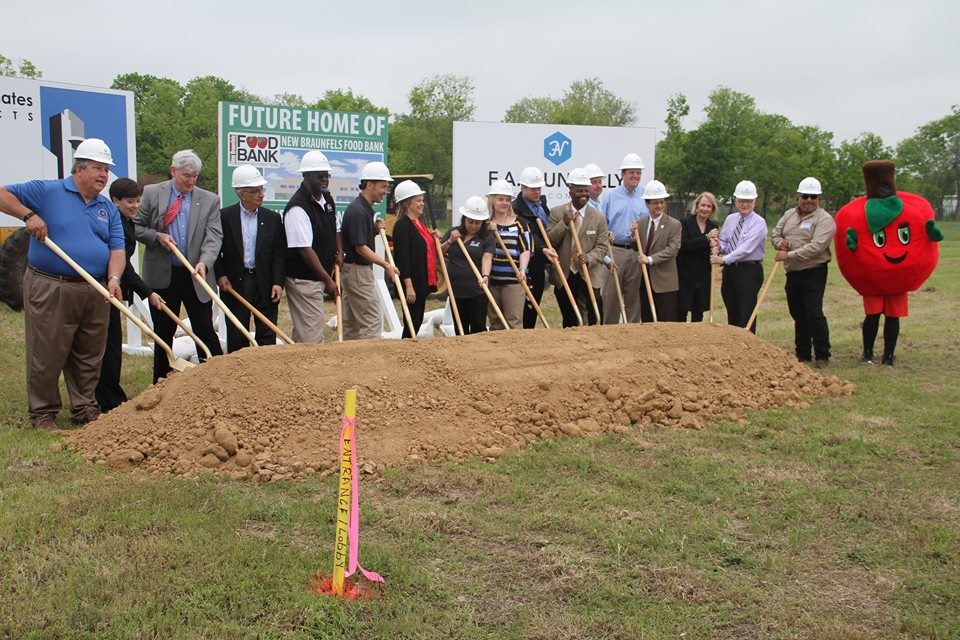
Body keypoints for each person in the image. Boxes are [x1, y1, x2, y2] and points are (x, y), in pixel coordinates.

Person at [0, 138, 125, 428]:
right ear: (79, 169)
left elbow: (117, 249)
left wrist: (114, 278)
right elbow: (2, 194)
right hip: (51, 285)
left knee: (90, 352)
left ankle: (84, 408)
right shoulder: (48, 191)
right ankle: (43, 412)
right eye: (97, 168)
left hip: (95, 288)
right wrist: (28, 215)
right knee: (47, 351)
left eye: (106, 170)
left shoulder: (107, 208)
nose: (103, 175)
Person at [135, 149, 224, 382]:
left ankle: (215, 378)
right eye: (186, 175)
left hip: (196, 274)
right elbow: (136, 227)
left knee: (204, 329)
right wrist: (157, 236)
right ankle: (161, 382)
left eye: (195, 176)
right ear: (173, 171)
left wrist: (205, 262)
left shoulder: (210, 200)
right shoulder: (152, 193)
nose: (191, 181)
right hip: (163, 275)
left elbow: (214, 237)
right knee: (164, 331)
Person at [96, 178, 164, 412]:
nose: (136, 206)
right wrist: (149, 292)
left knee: (112, 344)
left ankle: (109, 394)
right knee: (109, 346)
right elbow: (124, 267)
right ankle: (108, 398)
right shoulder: (116, 226)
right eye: (130, 202)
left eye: (137, 201)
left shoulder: (127, 222)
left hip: (114, 287)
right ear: (116, 201)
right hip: (105, 289)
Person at [214, 165, 286, 352]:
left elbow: (279, 254)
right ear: (241, 193)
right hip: (236, 283)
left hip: (265, 283)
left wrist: (278, 282)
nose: (261, 194)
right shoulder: (224, 217)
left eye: (262, 189)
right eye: (255, 191)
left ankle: (265, 366)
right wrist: (220, 275)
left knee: (267, 332)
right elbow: (215, 249)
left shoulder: (272, 219)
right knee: (237, 332)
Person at [772, 177, 837, 367]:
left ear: (819, 199)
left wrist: (789, 254)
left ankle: (822, 354)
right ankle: (802, 353)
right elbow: (775, 234)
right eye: (805, 196)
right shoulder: (789, 215)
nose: (809, 200)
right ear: (797, 197)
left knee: (814, 313)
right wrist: (779, 243)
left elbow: (817, 247)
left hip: (813, 272)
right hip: (793, 273)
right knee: (798, 314)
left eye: (813, 197)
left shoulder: (824, 219)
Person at [281, 151, 339, 344]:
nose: (325, 179)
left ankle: (299, 361)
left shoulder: (327, 199)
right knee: (312, 337)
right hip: (304, 279)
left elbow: (335, 228)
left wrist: (339, 252)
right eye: (319, 175)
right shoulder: (297, 208)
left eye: (327, 175)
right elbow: (305, 250)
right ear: (306, 176)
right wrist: (328, 281)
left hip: (318, 276)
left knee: (306, 333)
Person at [340, 160, 399, 340]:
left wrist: (373, 230)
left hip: (352, 271)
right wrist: (386, 265)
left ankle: (350, 356)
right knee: (371, 320)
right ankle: (370, 357)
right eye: (383, 186)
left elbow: (358, 240)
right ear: (369, 185)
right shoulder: (358, 211)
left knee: (351, 323)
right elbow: (360, 248)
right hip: (358, 271)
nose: (385, 191)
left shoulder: (363, 209)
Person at [546, 168, 608, 327]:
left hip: (588, 272)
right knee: (569, 318)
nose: (584, 194)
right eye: (579, 190)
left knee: (595, 313)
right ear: (571, 192)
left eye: (586, 190)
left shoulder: (598, 217)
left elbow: (602, 247)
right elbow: (550, 240)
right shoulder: (557, 212)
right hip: (565, 273)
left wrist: (589, 258)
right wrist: (564, 223)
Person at [710, 180, 767, 332]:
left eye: (749, 201)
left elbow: (745, 249)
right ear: (736, 201)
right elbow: (725, 241)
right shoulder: (731, 219)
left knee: (746, 314)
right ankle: (735, 344)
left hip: (749, 271)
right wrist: (718, 245)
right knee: (732, 310)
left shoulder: (759, 223)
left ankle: (748, 343)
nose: (745, 204)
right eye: (741, 200)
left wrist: (723, 259)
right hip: (730, 271)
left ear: (755, 202)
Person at [600, 153, 649, 324]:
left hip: (636, 252)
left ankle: (632, 333)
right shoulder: (610, 196)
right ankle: (610, 331)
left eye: (638, 173)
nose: (635, 176)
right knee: (611, 296)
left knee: (633, 297)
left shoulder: (645, 196)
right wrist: (606, 233)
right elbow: (601, 223)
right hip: (615, 251)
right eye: (631, 172)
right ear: (622, 174)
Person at [439, 195, 495, 334]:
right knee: (460, 328)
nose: (473, 226)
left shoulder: (486, 237)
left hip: (476, 290)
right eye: (470, 222)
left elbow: (487, 258)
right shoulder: (453, 232)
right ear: (464, 219)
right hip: (456, 290)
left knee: (478, 327)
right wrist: (450, 241)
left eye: (478, 223)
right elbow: (439, 253)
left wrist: (485, 275)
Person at [391, 180, 438, 338]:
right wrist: (409, 286)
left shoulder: (419, 223)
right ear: (407, 203)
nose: (422, 204)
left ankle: (410, 347)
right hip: (412, 282)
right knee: (412, 321)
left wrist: (433, 237)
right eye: (418, 201)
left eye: (422, 200)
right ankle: (406, 348)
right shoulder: (402, 226)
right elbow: (402, 259)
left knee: (416, 320)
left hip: (422, 280)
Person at [632, 180, 682, 322]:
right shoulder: (641, 224)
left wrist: (650, 259)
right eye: (655, 203)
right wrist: (633, 235)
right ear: (647, 204)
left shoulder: (674, 224)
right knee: (647, 320)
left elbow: (672, 250)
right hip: (645, 279)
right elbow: (638, 247)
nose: (659, 206)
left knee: (666, 321)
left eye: (661, 202)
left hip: (665, 283)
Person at [489, 180, 531, 330]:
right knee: (496, 323)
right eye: (500, 199)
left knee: (514, 321)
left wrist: (522, 269)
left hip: (514, 280)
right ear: (492, 200)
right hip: (492, 280)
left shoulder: (520, 223)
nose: (504, 203)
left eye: (507, 200)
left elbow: (526, 249)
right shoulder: (486, 224)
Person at [512, 167, 551, 329]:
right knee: (523, 307)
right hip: (525, 264)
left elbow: (547, 230)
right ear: (523, 188)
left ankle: (530, 334)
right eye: (533, 188)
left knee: (534, 304)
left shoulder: (542, 206)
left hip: (539, 264)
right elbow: (529, 233)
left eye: (538, 188)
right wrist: (543, 248)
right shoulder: (516, 209)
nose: (537, 192)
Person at [677, 192, 719, 322]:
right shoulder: (684, 223)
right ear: (697, 206)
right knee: (681, 311)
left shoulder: (713, 226)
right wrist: (706, 238)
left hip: (703, 276)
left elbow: (712, 248)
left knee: (698, 313)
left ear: (712, 209)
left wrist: (715, 248)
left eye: (709, 206)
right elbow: (684, 245)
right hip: (685, 274)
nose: (705, 209)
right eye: (703, 205)